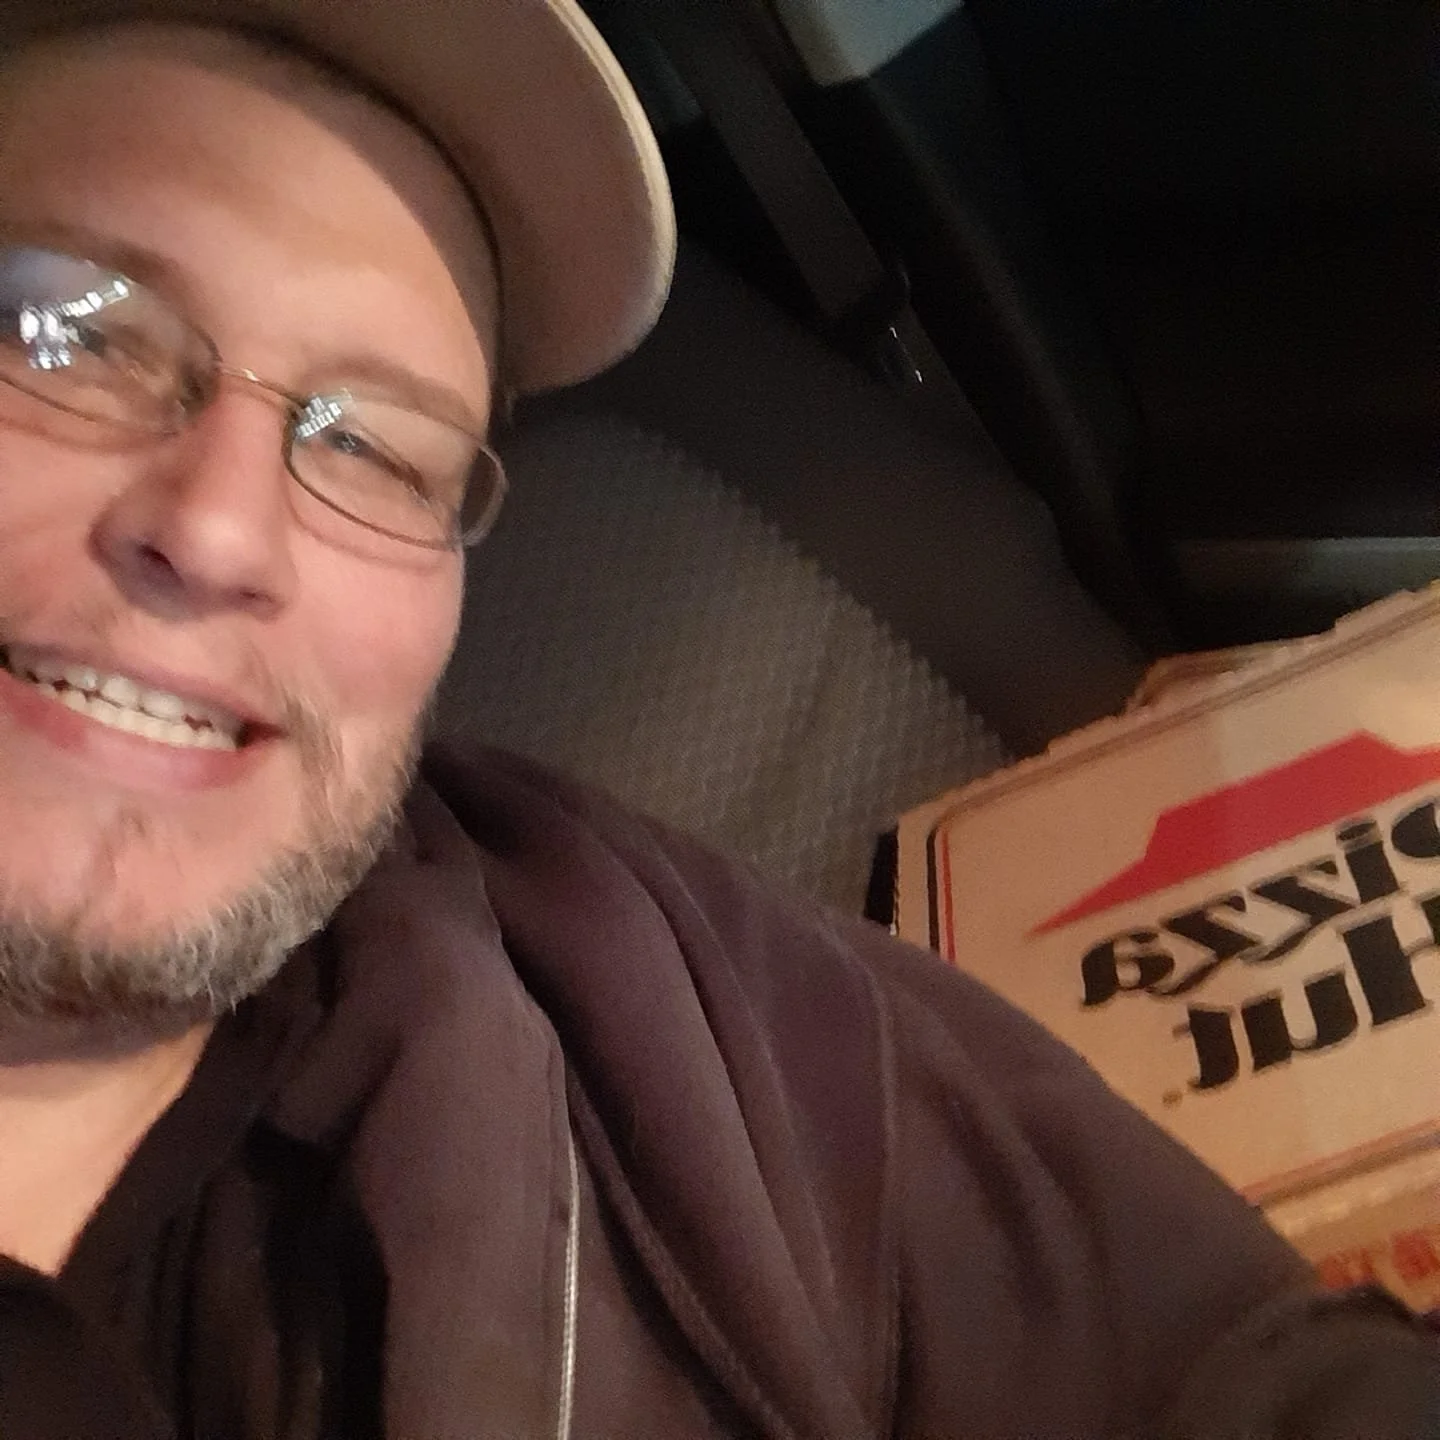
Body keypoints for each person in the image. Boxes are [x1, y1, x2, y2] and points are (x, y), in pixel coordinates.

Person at [0, 2, 1433, 1436]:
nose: (221, 530)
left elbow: (1241, 1373)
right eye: (67, 334)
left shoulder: (627, 967)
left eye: (380, 448)